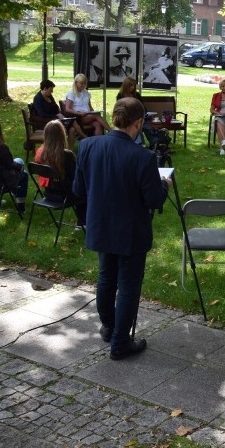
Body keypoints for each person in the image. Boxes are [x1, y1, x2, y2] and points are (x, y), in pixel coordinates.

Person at [73, 97, 172, 360]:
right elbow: (154, 200)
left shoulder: (87, 146)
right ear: (138, 123)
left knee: (106, 277)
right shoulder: (144, 157)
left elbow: (78, 190)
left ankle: (110, 327)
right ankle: (119, 341)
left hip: (100, 225)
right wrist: (165, 184)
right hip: (130, 232)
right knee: (128, 284)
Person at [34, 121, 87, 227]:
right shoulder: (67, 155)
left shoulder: (41, 154)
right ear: (62, 135)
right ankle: (82, 222)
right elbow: (76, 178)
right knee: (85, 189)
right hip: (65, 195)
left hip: (49, 193)